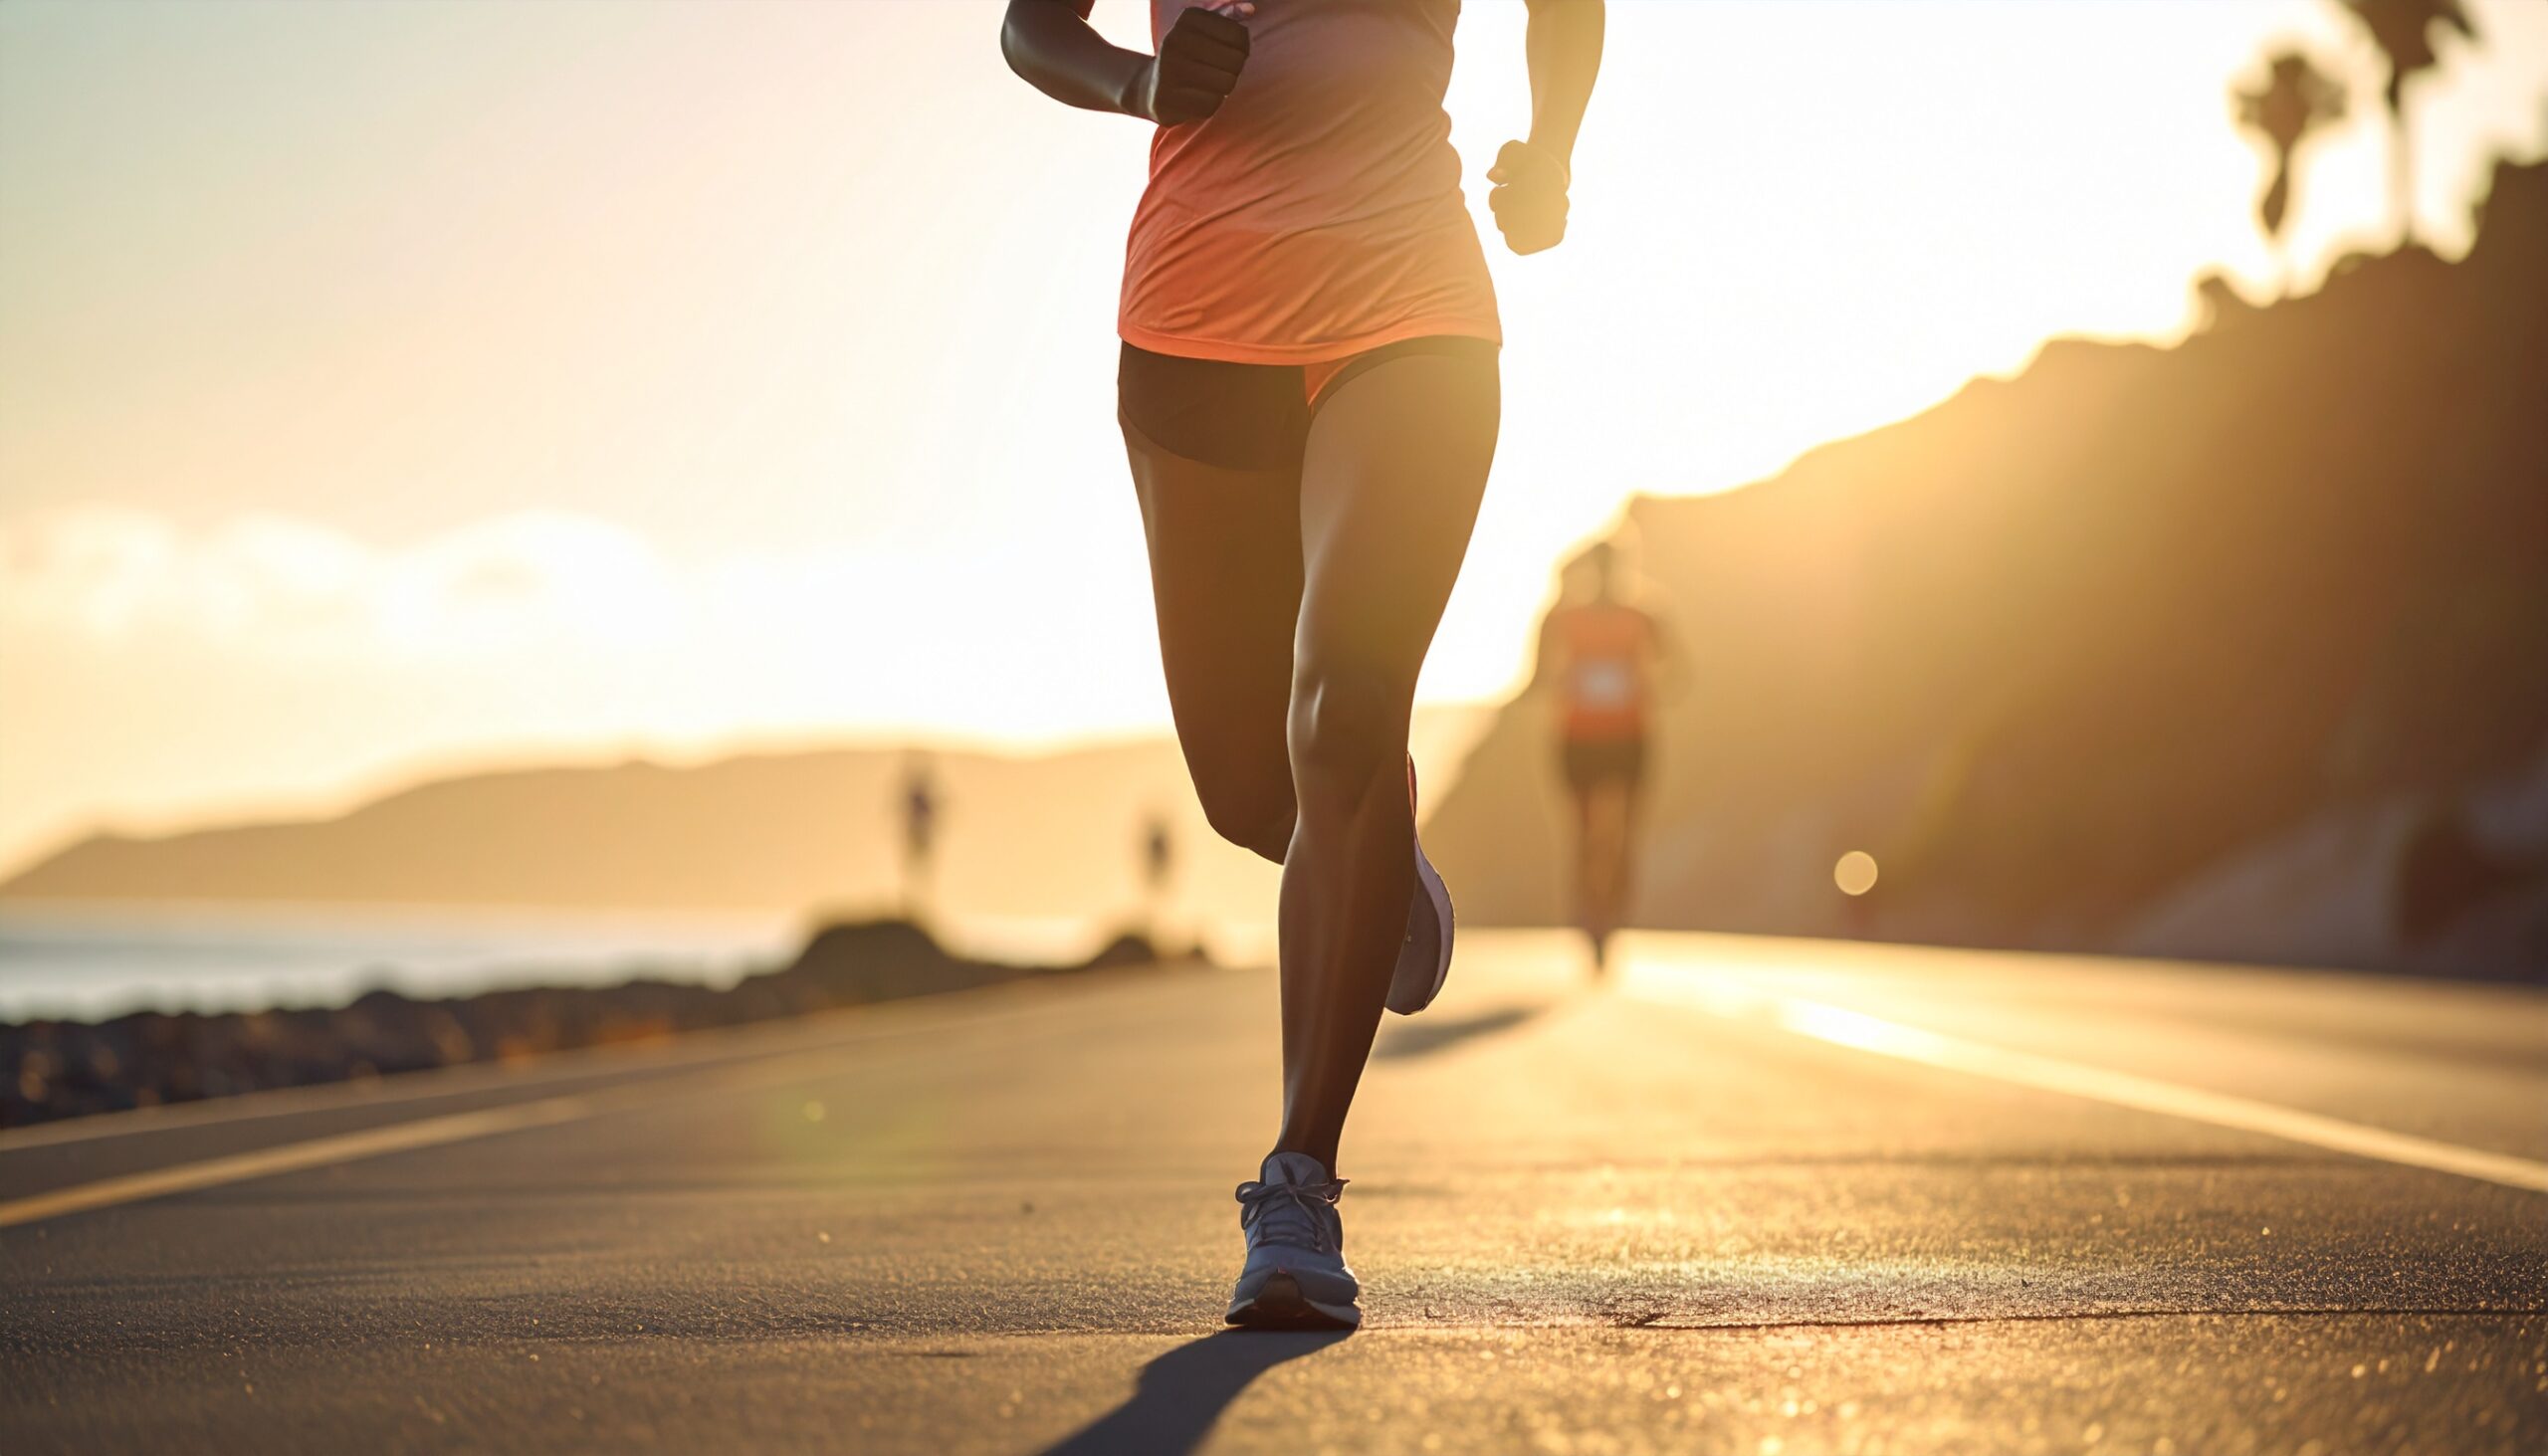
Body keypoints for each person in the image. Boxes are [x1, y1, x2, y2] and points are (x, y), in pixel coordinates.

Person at [999, 0, 1603, 1330]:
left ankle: (1300, 1179)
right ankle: (1378, 868)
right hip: (1196, 325)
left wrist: (1551, 145)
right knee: (1243, 781)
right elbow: (1032, 26)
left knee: (1340, 711)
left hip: (1413, 309)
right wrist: (1136, 80)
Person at [1536, 539, 1672, 972]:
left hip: (1626, 738)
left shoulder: (1645, 615)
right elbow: (1540, 671)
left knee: (1625, 834)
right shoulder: (1566, 617)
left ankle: (1609, 918)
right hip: (1581, 739)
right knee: (1583, 832)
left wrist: (1645, 685)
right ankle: (1592, 921)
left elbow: (1677, 667)